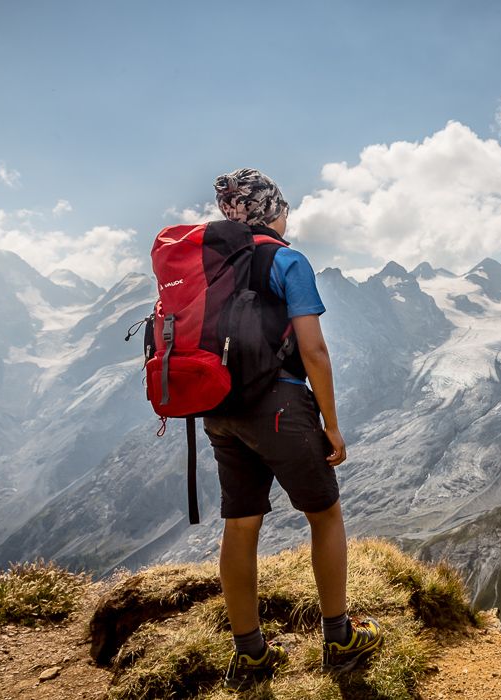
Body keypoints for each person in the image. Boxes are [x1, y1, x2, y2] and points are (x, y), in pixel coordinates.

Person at [203, 168, 383, 690]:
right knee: (324, 514)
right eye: (285, 207)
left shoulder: (210, 264)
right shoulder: (286, 259)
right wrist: (331, 424)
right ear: (271, 211)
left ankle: (252, 655)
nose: (289, 217)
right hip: (279, 404)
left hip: (220, 410)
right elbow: (314, 350)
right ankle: (339, 639)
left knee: (240, 525)